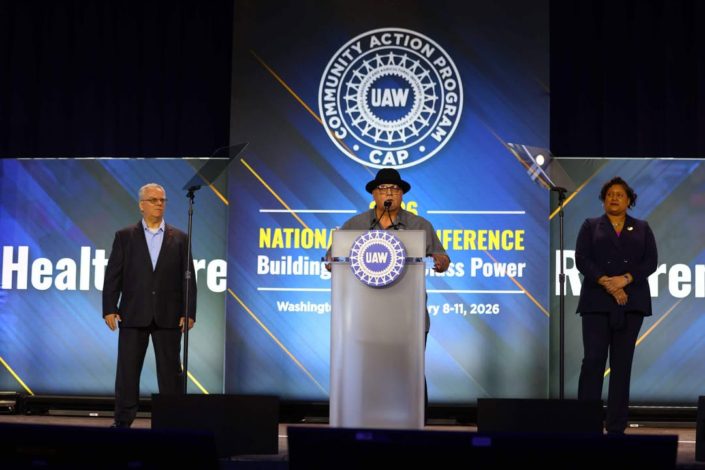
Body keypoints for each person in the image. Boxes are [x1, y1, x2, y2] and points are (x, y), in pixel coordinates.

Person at [326, 168, 450, 419]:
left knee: (410, 372)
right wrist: (332, 261)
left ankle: (415, 423)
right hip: (365, 317)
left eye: (395, 189)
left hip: (408, 317)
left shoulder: (420, 225)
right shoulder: (355, 225)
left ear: (402, 194)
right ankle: (366, 419)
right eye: (383, 189)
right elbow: (331, 259)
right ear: (373, 194)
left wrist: (441, 261)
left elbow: (443, 258)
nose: (389, 193)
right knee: (367, 372)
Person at [103, 183, 196, 428]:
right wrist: (110, 307)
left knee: (171, 373)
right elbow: (113, 275)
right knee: (127, 372)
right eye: (153, 200)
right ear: (141, 205)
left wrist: (188, 311)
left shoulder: (180, 238)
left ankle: (173, 424)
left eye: (162, 200)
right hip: (133, 313)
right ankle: (122, 422)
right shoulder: (124, 236)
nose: (159, 204)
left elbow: (188, 278)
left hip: (169, 315)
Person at [575, 176, 657, 435]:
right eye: (610, 194)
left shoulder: (642, 228)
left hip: (631, 303)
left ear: (629, 200)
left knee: (622, 365)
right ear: (603, 200)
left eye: (620, 194)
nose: (614, 198)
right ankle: (585, 424)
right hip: (596, 302)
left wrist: (625, 280)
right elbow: (582, 259)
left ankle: (616, 427)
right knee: (593, 361)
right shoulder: (590, 226)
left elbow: (650, 262)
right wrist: (607, 283)